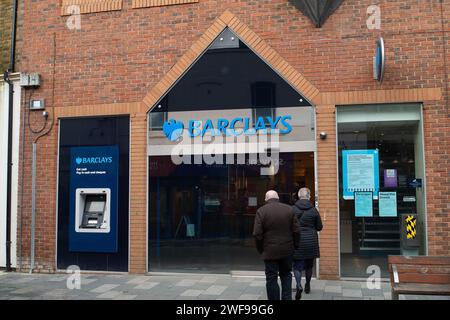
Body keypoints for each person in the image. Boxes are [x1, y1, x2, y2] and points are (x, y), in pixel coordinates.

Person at [253, 190, 300, 300]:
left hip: (269, 251)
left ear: (266, 199)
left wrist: (261, 249)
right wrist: (295, 246)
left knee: (271, 278)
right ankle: (287, 298)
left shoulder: (261, 211)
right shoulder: (289, 209)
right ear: (278, 198)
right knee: (286, 275)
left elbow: (257, 233)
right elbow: (297, 231)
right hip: (287, 250)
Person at [292, 187, 323, 300]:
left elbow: (289, 226)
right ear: (309, 196)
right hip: (311, 241)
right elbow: (319, 227)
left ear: (299, 196)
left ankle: (298, 284)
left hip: (297, 241)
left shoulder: (293, 209)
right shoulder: (314, 210)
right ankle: (308, 285)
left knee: (297, 266)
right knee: (309, 266)